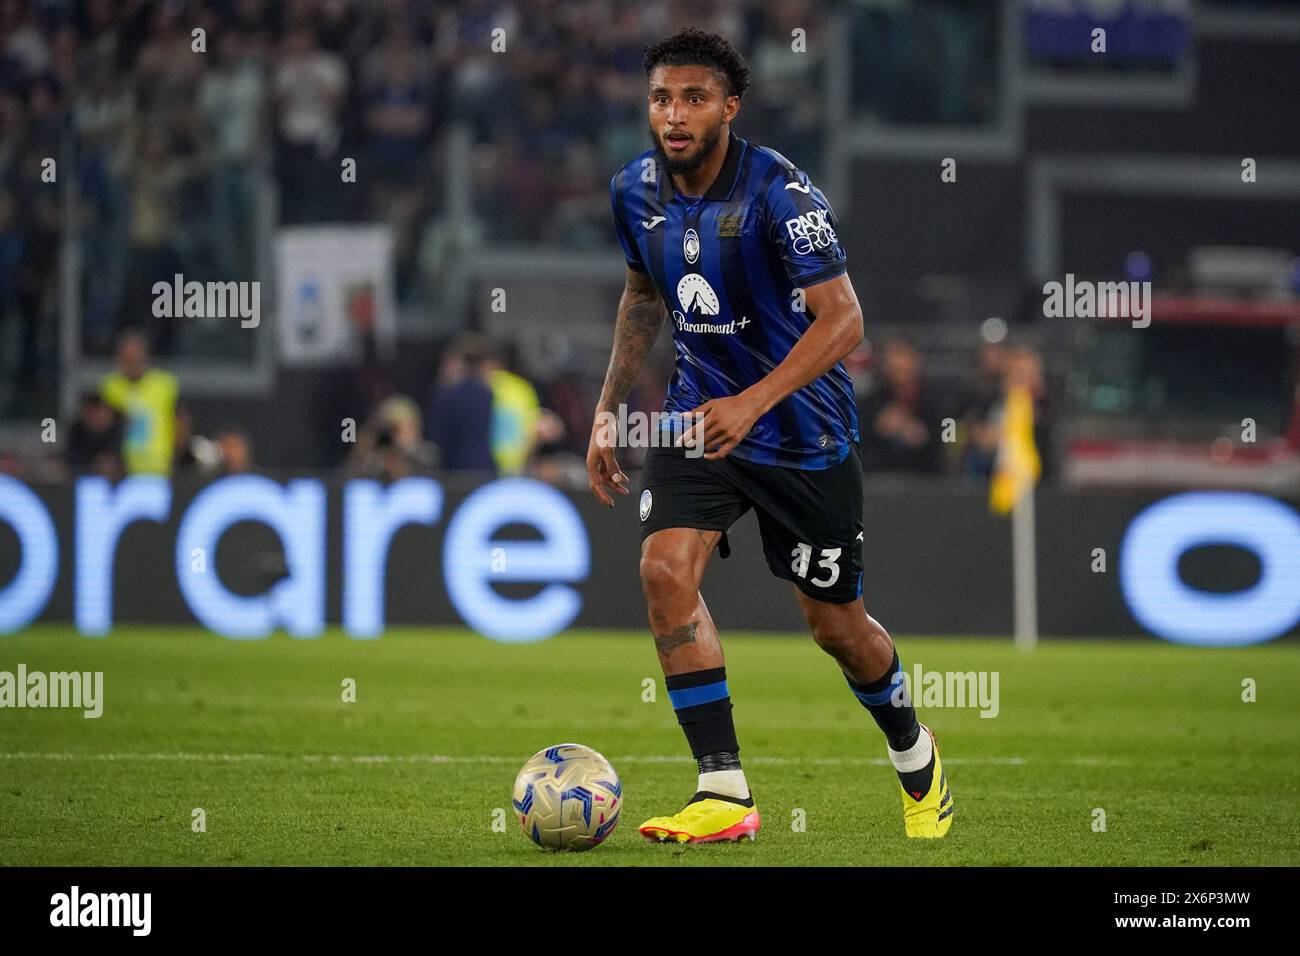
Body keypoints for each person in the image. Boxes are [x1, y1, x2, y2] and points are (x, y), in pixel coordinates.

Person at [588, 29, 951, 845]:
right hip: (699, 422)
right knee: (662, 567)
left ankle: (913, 748)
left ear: (729, 107)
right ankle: (723, 791)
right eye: (660, 99)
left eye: (692, 98)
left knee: (837, 629)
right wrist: (608, 409)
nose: (673, 115)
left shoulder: (781, 192)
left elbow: (846, 319)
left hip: (802, 436)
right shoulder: (633, 190)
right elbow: (643, 295)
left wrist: (752, 402)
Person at [100, 329, 180, 476]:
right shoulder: (110, 387)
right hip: (124, 469)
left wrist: (176, 456)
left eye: (135, 358)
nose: (132, 363)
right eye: (127, 358)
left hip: (159, 468)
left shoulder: (164, 385)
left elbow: (179, 421)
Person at [858, 337, 944, 473]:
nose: (898, 363)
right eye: (892, 356)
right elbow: (856, 445)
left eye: (903, 355)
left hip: (926, 480)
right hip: (880, 480)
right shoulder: (870, 403)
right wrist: (878, 427)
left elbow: (950, 440)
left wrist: (923, 435)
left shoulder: (934, 402)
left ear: (917, 360)